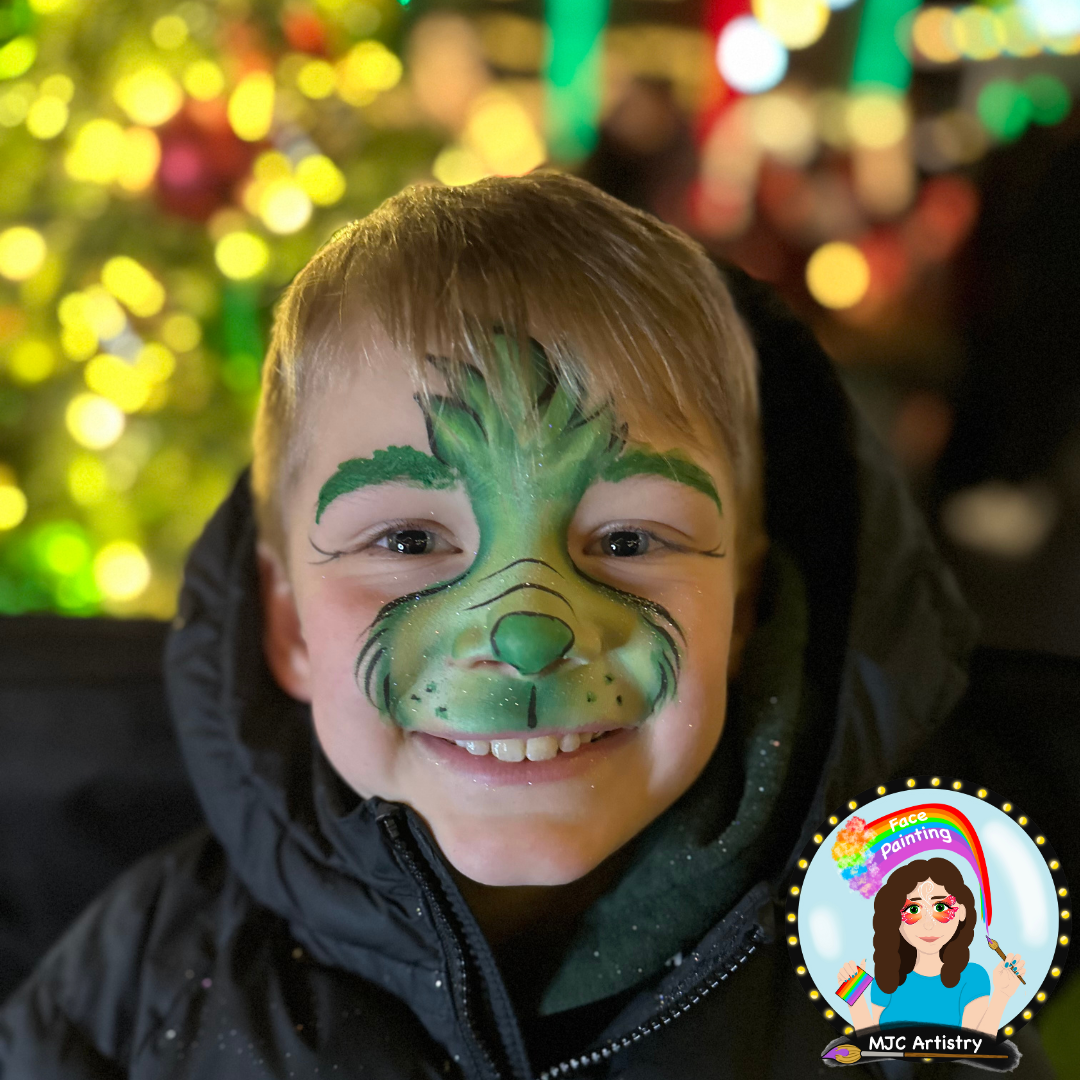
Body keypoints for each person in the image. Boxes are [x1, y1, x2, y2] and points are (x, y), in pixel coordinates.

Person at [0, 174, 1057, 1078]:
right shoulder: (145, 967)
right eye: (410, 540)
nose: (526, 637)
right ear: (288, 625)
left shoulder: (911, 984)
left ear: (742, 611)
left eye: (630, 539)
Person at [838, 857, 1025, 1034]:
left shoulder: (974, 978)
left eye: (941, 908)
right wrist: (854, 995)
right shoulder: (886, 978)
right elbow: (874, 1047)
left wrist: (1002, 995)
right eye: (913, 910)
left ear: (961, 912)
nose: (928, 924)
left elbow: (975, 1048)